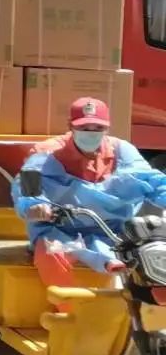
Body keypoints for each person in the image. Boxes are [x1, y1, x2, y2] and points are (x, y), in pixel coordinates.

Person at [12, 97, 166, 299]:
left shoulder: (122, 151)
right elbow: (27, 184)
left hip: (113, 232)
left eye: (98, 128)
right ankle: (68, 311)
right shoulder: (46, 152)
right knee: (50, 254)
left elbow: (153, 181)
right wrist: (36, 206)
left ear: (107, 128)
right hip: (60, 230)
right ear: (70, 126)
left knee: (153, 254)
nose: (91, 133)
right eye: (84, 128)